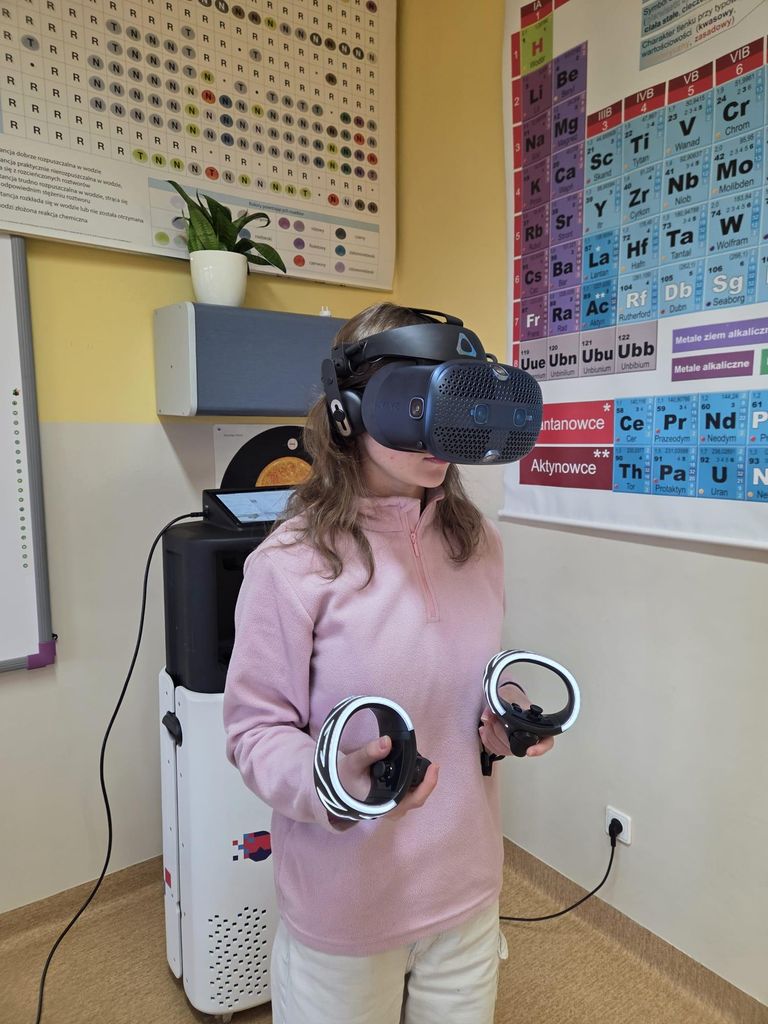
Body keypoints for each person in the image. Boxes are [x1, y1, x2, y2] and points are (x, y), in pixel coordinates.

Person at [223, 303, 554, 1024]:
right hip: (347, 904)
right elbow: (254, 732)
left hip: (464, 888)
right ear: (347, 413)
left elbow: (474, 672)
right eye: (414, 404)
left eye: (457, 405)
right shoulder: (291, 565)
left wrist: (505, 714)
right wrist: (332, 782)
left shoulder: (478, 543)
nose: (441, 434)